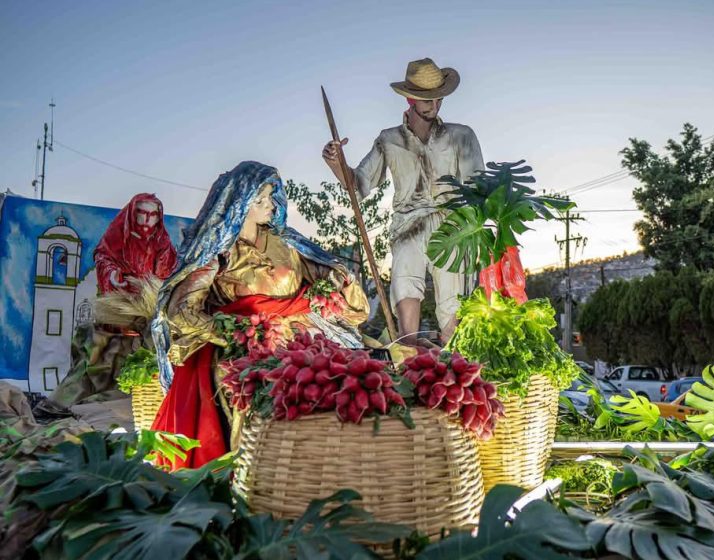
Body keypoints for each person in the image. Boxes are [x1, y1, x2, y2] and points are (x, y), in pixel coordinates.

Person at [150, 161, 368, 469]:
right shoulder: (219, 253)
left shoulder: (287, 243)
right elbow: (181, 311)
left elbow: (328, 275)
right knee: (257, 391)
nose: (270, 204)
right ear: (238, 204)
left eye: (270, 196)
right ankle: (257, 473)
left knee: (347, 382)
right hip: (251, 343)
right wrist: (238, 329)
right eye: (260, 199)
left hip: (306, 336)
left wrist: (336, 284)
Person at [322, 57, 484, 344]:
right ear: (410, 98)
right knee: (405, 281)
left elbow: (478, 190)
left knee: (452, 296)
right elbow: (358, 183)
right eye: (426, 99)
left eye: (437, 99)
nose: (433, 105)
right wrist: (336, 163)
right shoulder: (389, 140)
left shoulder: (462, 136)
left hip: (452, 224)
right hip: (408, 223)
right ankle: (408, 351)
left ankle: (456, 357)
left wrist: (477, 234)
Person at [35, 194, 178, 415]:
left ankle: (140, 401)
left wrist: (152, 287)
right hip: (118, 308)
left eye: (153, 215)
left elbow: (168, 273)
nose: (148, 220)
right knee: (99, 353)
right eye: (142, 213)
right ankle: (75, 400)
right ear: (133, 213)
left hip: (146, 312)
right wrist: (113, 276)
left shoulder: (163, 243)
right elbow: (103, 257)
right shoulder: (118, 236)